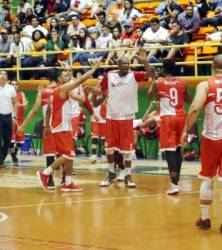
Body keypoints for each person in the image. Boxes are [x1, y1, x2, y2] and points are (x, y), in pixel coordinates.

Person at [181, 54, 222, 234]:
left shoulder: (206, 84)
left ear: (212, 66)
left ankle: (205, 217)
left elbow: (194, 108)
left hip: (212, 137)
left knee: (207, 177)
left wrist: (186, 130)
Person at [37, 58, 102, 192]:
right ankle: (45, 173)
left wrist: (48, 126)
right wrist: (94, 69)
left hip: (62, 125)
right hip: (61, 126)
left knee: (69, 155)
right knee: (68, 154)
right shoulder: (61, 89)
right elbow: (79, 81)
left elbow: (81, 99)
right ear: (59, 79)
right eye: (64, 75)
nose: (66, 76)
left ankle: (68, 182)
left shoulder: (61, 90)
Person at [97, 48, 153, 188]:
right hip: (111, 117)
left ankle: (127, 175)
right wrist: (95, 94)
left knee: (128, 151)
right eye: (124, 64)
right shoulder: (109, 76)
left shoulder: (134, 75)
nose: (127, 66)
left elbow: (150, 74)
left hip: (127, 118)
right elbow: (101, 91)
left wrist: (145, 61)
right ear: (118, 64)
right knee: (109, 148)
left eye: (128, 64)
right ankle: (111, 173)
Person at [148, 59, 192, 195]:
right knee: (178, 149)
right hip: (181, 116)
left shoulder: (158, 83)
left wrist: (153, 80)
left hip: (168, 118)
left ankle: (174, 184)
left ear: (164, 69)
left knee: (169, 151)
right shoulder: (182, 82)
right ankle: (176, 182)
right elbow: (189, 100)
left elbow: (150, 96)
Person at [0, 71, 17, 166]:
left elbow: (15, 103)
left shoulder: (11, 88)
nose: (2, 75)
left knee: (7, 139)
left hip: (8, 117)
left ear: (7, 78)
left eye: (5, 74)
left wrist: (14, 116)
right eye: (1, 73)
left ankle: (2, 158)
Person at [10, 80, 28, 165]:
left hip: (20, 120)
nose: (14, 85)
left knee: (20, 142)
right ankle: (13, 155)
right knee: (11, 141)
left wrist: (25, 104)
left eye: (15, 84)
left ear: (18, 86)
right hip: (11, 119)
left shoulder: (22, 94)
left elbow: (25, 106)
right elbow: (13, 105)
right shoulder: (9, 94)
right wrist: (21, 105)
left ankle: (14, 154)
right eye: (12, 84)